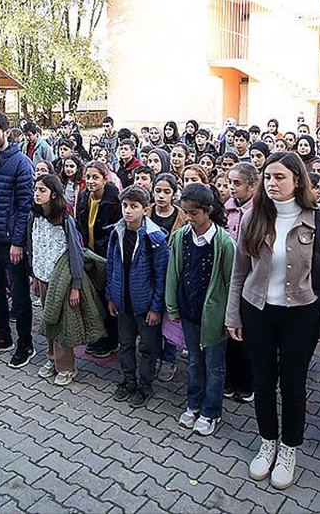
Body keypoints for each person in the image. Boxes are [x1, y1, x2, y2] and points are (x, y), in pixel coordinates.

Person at [227, 152, 320, 489]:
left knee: (293, 386)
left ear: (298, 180)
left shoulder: (318, 218)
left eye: (280, 177)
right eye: (268, 177)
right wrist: (233, 315)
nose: (272, 184)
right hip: (259, 312)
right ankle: (268, 443)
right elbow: (239, 273)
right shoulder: (253, 217)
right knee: (263, 382)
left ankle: (289, 449)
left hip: (302, 315)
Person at [166, 183, 236, 436]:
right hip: (189, 311)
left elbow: (232, 284)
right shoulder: (182, 236)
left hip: (215, 318)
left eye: (194, 213)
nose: (188, 218)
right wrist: (172, 306)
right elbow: (174, 271)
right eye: (185, 212)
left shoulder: (225, 243)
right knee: (194, 361)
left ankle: (210, 411)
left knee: (214, 366)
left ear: (208, 210)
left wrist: (231, 319)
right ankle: (193, 404)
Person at [29, 175, 106, 387]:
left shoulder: (65, 220)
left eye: (42, 190)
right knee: (48, 320)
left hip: (62, 280)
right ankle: (52, 359)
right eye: (36, 189)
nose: (37, 193)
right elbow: (34, 247)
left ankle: (66, 366)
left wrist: (75, 286)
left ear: (54, 194)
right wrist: (35, 276)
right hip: (43, 277)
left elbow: (75, 253)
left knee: (63, 325)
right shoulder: (35, 217)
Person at [0, 112, 37, 367]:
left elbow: (25, 206)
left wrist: (18, 242)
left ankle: (25, 344)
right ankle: (2, 337)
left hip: (11, 241)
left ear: (5, 132)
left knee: (20, 296)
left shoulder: (22, 163)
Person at [106, 186, 171, 408]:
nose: (128, 211)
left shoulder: (155, 238)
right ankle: (128, 380)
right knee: (125, 343)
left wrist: (155, 308)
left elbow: (161, 276)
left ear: (145, 209)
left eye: (134, 206)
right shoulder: (117, 232)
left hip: (145, 306)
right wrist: (111, 296)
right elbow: (111, 266)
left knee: (147, 347)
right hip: (123, 301)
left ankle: (145, 384)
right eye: (125, 205)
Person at [75, 161, 123, 358]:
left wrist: (102, 254)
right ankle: (98, 335)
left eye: (96, 177)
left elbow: (115, 231)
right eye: (89, 177)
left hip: (106, 257)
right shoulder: (85, 195)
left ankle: (111, 340)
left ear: (105, 178)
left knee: (108, 299)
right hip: (89, 254)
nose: (91, 181)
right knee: (94, 299)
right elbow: (80, 223)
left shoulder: (114, 200)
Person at [222, 163, 258, 403]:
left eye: (237, 183)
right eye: (230, 183)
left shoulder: (259, 213)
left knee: (247, 335)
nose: (232, 188)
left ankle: (248, 382)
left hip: (251, 279)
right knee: (229, 330)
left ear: (252, 186)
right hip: (229, 277)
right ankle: (230, 378)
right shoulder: (226, 209)